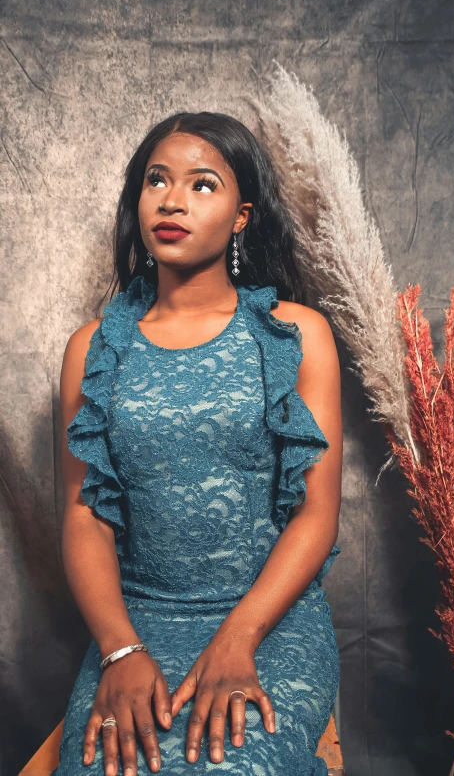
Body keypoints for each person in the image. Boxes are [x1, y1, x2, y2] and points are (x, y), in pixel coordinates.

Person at [53, 111, 342, 776]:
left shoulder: (296, 335)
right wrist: (121, 650)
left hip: (272, 619)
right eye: (157, 180)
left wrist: (238, 637)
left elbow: (317, 513)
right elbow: (82, 513)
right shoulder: (91, 350)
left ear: (243, 214)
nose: (173, 199)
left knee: (237, 765)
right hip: (133, 621)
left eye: (203, 184)